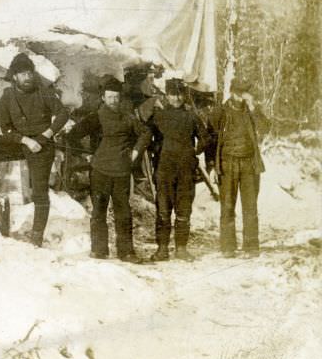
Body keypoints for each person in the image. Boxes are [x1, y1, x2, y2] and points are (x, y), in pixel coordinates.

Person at [0, 52, 69, 247]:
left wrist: (46, 135)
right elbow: (5, 127)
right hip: (20, 142)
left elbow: (63, 113)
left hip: (41, 145)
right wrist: (25, 140)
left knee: (39, 192)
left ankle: (36, 236)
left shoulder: (43, 91)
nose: (27, 78)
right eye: (22, 74)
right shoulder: (7, 97)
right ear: (14, 77)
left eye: (29, 73)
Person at [69, 77, 151, 263]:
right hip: (100, 171)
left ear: (120, 98)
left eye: (116, 97)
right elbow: (72, 136)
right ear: (103, 98)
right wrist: (86, 156)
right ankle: (99, 250)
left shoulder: (127, 117)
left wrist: (135, 152)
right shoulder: (95, 117)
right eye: (109, 97)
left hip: (121, 172)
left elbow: (146, 133)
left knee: (124, 212)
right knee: (99, 211)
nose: (113, 100)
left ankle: (126, 252)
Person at [148, 78, 209, 261]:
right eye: (173, 94)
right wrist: (157, 151)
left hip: (185, 171)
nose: (176, 98)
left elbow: (205, 138)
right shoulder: (158, 116)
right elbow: (146, 136)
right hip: (164, 170)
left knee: (184, 210)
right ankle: (162, 249)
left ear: (184, 95)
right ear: (167, 95)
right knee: (163, 211)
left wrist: (194, 152)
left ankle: (181, 248)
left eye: (180, 94)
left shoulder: (191, 116)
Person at [206, 82, 266, 258]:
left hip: (249, 164)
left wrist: (254, 107)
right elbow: (211, 140)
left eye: (246, 93)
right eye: (240, 93)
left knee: (250, 207)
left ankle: (251, 246)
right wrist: (211, 166)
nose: (243, 97)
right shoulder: (220, 112)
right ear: (232, 93)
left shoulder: (251, 111)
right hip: (227, 164)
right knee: (227, 206)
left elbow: (265, 127)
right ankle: (228, 247)